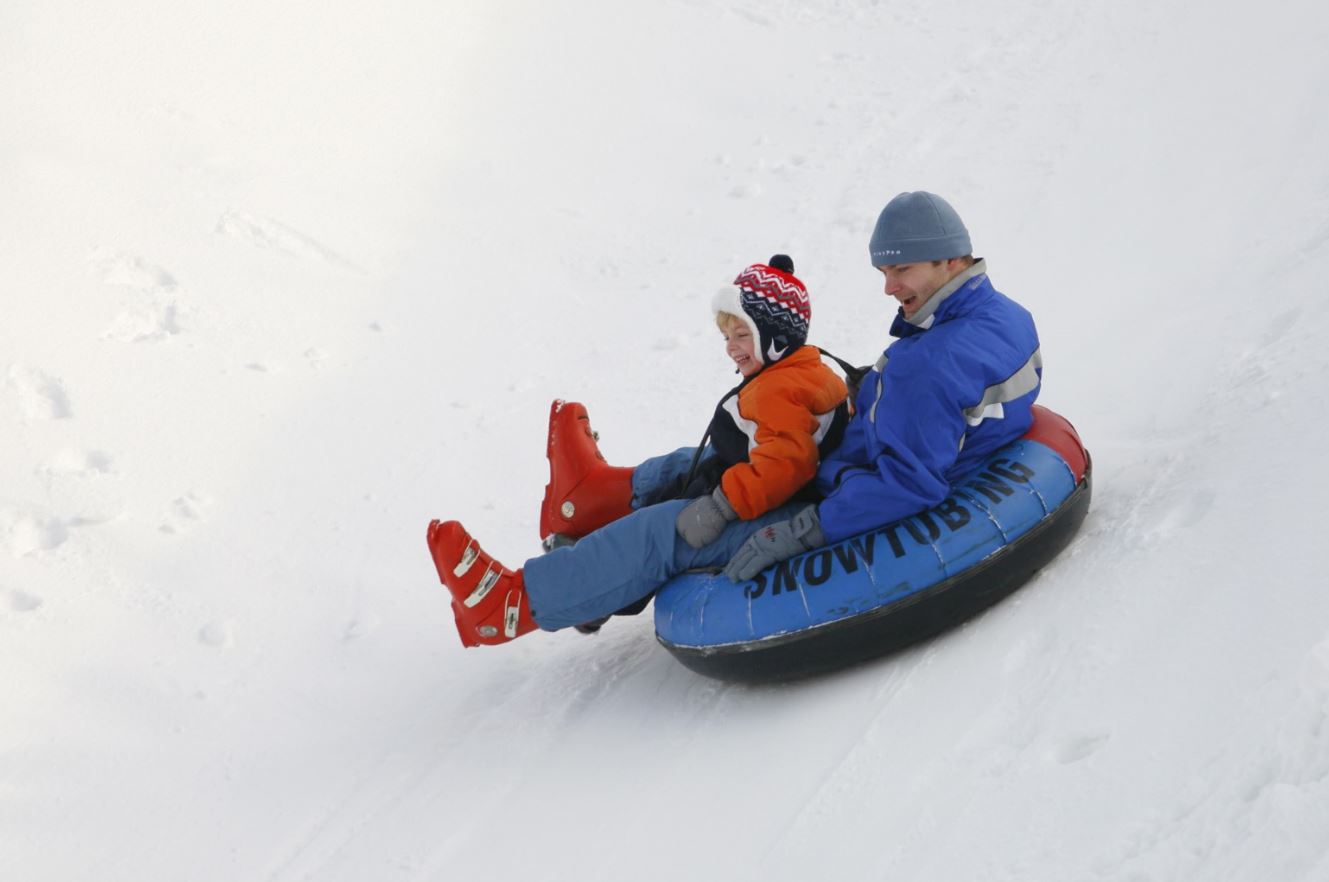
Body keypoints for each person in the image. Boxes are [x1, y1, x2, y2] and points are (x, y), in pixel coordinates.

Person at [427, 256, 850, 645]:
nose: (730, 346)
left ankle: (512, 603)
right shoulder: (799, 371)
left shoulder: (781, 388)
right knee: (690, 463)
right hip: (786, 495)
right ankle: (591, 497)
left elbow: (783, 467)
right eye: (726, 335)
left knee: (658, 532)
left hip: (791, 512)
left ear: (777, 337)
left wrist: (721, 507)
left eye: (743, 334)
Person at [724, 191, 1042, 581]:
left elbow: (908, 483)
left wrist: (803, 531)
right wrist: (878, 390)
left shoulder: (927, 364)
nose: (888, 288)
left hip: (854, 492)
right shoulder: (1011, 316)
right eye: (884, 273)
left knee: (711, 505)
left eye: (902, 269)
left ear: (952, 260)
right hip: (909, 454)